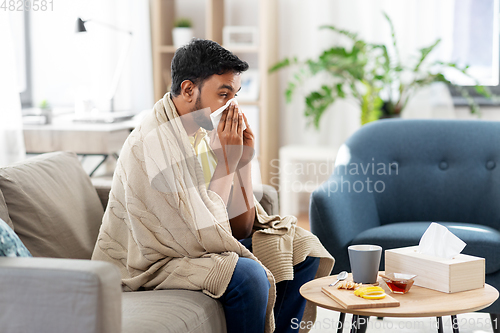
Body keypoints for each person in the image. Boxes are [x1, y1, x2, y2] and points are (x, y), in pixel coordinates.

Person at [92, 39, 334, 333]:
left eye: (235, 95)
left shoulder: (199, 131)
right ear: (188, 89)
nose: (231, 105)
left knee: (301, 247)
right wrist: (225, 163)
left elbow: (240, 229)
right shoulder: (153, 142)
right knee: (248, 275)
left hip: (197, 245)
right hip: (155, 262)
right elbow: (205, 232)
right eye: (223, 94)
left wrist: (242, 161)